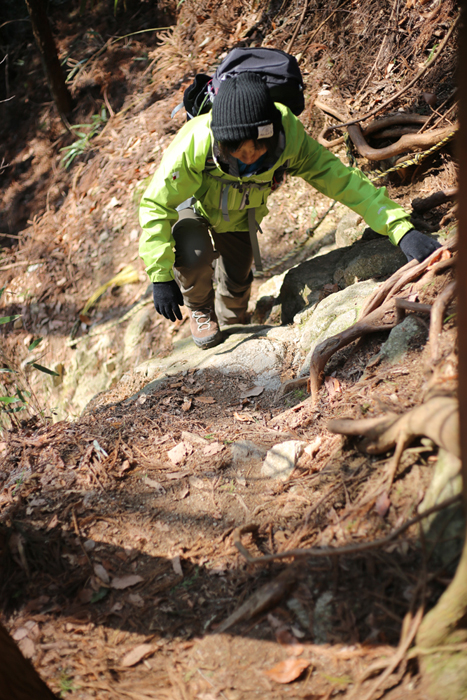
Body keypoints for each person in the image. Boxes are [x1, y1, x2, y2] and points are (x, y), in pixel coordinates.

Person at [139, 72, 440, 349]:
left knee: (238, 276)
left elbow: (343, 181)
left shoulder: (288, 137)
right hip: (194, 209)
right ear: (221, 142)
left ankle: (232, 323)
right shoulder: (194, 144)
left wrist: (401, 229)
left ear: (270, 135)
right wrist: (160, 276)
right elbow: (156, 205)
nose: (248, 158)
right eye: (237, 151)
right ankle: (201, 309)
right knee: (193, 250)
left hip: (241, 216)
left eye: (256, 149)